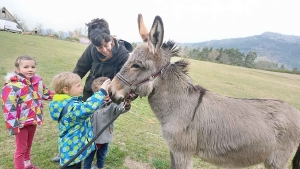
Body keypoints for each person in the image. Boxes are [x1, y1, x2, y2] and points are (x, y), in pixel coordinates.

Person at [1, 55, 54, 169]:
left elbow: (47, 94)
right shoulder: (12, 86)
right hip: (20, 123)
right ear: (18, 69)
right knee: (21, 148)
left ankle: (27, 164)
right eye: (26, 67)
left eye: (33, 67)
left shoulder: (37, 83)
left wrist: (62, 96)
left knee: (28, 145)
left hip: (33, 120)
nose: (30, 69)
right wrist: (13, 126)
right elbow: (8, 107)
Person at [49, 72, 110, 169]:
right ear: (66, 90)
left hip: (75, 148)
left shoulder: (65, 103)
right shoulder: (70, 107)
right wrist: (101, 92)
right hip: (72, 150)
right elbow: (87, 108)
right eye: (78, 86)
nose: (82, 87)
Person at [73, 18, 133, 101]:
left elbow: (124, 81)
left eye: (106, 45)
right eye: (100, 47)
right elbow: (80, 69)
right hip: (89, 93)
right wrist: (69, 85)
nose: (104, 50)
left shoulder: (123, 55)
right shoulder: (91, 49)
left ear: (111, 40)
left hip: (109, 96)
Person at [83, 77, 131, 169]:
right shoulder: (91, 104)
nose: (107, 94)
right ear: (96, 93)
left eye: (109, 91)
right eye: (103, 91)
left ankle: (99, 167)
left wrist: (126, 104)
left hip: (104, 139)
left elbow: (121, 108)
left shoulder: (113, 105)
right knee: (88, 157)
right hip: (90, 139)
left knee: (101, 156)